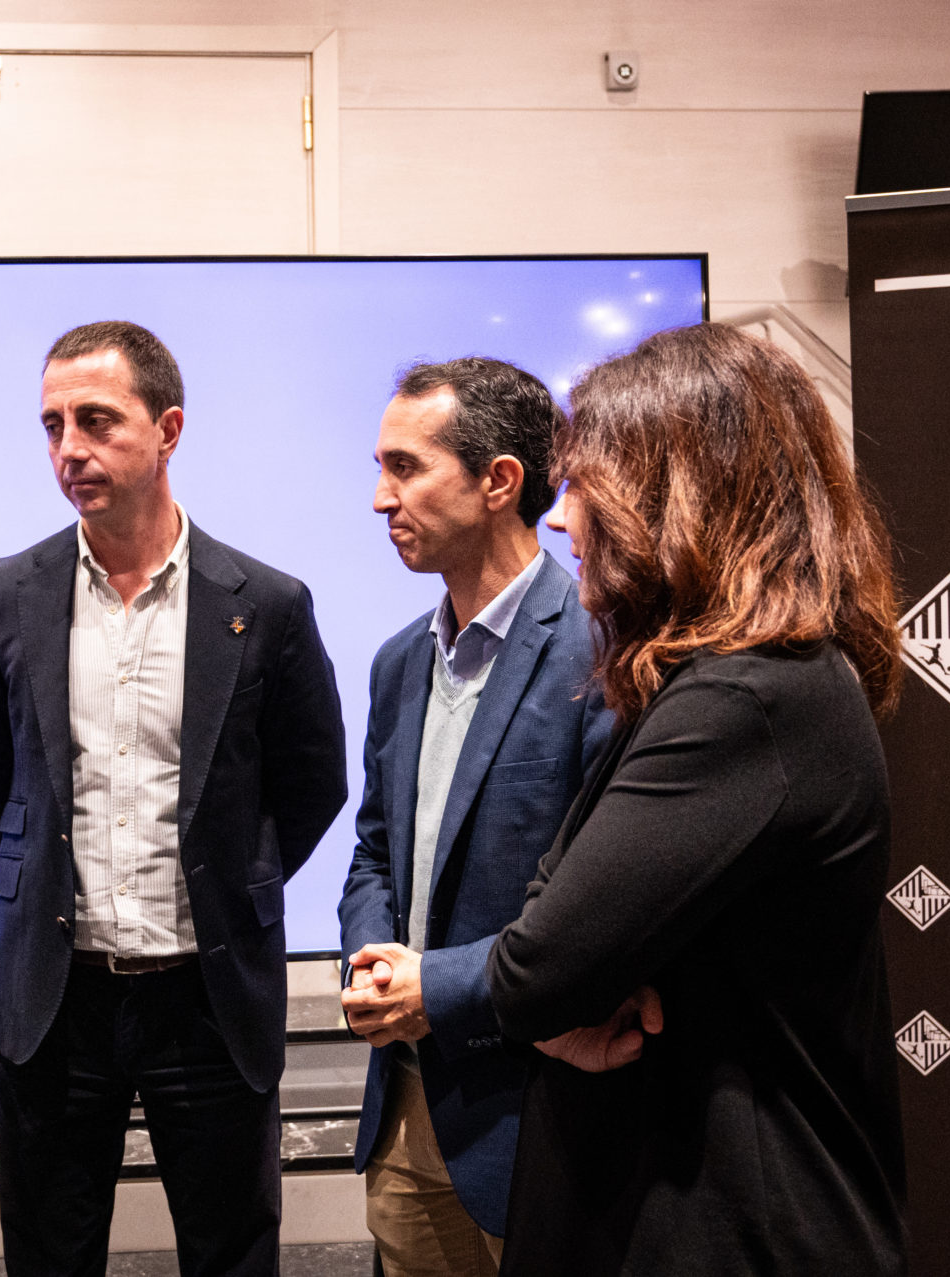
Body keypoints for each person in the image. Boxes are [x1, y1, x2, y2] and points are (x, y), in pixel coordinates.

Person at [486, 322, 908, 1274]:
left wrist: (562, 992)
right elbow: (556, 940)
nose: (560, 519)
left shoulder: (745, 700)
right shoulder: (746, 683)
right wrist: (571, 980)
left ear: (674, 493)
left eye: (586, 484)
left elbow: (534, 968)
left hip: (727, 1231)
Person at [0, 320, 347, 1276]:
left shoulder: (266, 602)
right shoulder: (11, 591)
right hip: (58, 993)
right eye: (52, 425)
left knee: (232, 1252)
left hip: (208, 993)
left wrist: (234, 879)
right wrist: (43, 866)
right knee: (48, 1254)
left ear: (168, 429)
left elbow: (313, 781)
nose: (69, 449)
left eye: (96, 420)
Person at [336, 358, 611, 1277]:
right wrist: (372, 965)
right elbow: (375, 851)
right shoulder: (396, 662)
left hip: (542, 1111)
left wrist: (437, 990)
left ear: (499, 481)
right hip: (406, 1114)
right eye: (381, 467)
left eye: (406, 467)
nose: (382, 497)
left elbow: (598, 897)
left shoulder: (602, 650)